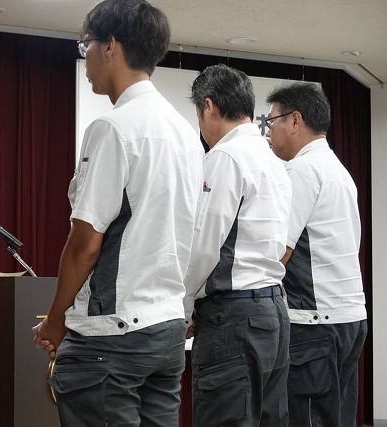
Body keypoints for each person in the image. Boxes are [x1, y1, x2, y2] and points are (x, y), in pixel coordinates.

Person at [32, 1, 204, 425]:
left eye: (85, 45)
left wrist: (56, 320)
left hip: (114, 332)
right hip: (166, 328)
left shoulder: (113, 127)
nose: (85, 58)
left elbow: (85, 244)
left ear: (109, 46)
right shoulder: (185, 132)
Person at [183, 64, 292, 426]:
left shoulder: (225, 156)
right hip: (274, 311)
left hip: (233, 316)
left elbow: (204, 245)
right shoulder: (273, 160)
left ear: (208, 106)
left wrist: (182, 307)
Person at [266, 82, 367, 427]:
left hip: (314, 323)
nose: (268, 132)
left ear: (295, 120)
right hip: (349, 318)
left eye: (271, 121)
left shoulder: (301, 170)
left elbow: (279, 252)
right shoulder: (339, 170)